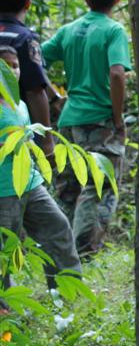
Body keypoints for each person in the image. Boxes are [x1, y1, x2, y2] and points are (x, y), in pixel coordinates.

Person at [42, 0, 132, 255]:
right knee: (100, 187)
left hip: (69, 121)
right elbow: (117, 74)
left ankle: (59, 254)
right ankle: (82, 254)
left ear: (87, 0)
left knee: (67, 190)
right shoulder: (114, 31)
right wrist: (117, 118)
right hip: (100, 121)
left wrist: (53, 97)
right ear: (117, 0)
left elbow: (33, 59)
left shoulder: (68, 31)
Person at [0, 45, 81, 294]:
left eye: (15, 65)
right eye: (5, 66)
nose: (12, 71)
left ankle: (67, 290)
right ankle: (5, 303)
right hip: (4, 190)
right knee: (5, 250)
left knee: (57, 226)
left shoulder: (20, 105)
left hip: (30, 182)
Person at [0, 0, 55, 158]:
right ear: (27, 4)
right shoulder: (25, 38)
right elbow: (35, 90)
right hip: (16, 125)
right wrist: (47, 141)